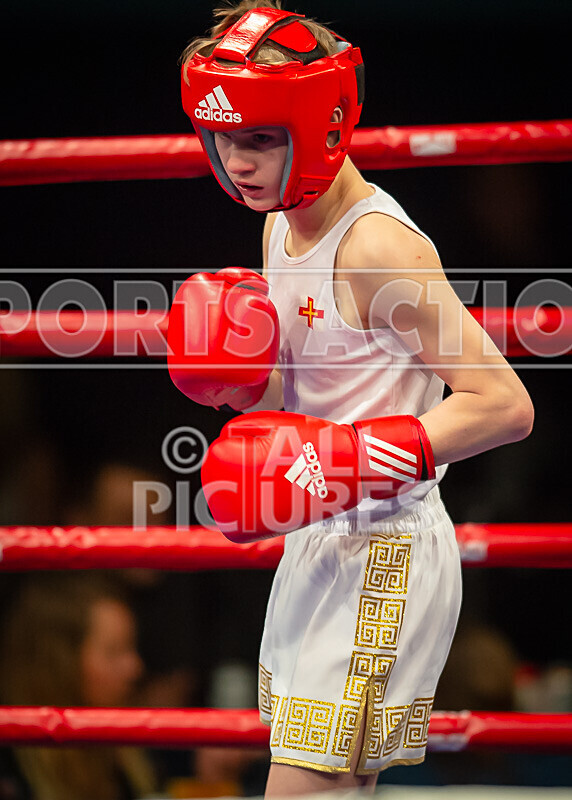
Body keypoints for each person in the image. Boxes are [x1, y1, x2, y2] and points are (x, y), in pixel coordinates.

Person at [170, 1, 534, 795]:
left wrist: (347, 457)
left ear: (323, 126)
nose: (238, 161)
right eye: (226, 137)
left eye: (261, 137)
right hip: (317, 530)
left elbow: (504, 403)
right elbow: (309, 391)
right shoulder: (279, 225)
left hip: (385, 547)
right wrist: (238, 382)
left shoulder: (376, 248)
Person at [0, 574, 157, 800]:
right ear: (60, 662)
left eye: (131, 648)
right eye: (113, 652)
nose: (135, 667)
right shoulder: (10, 769)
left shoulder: (125, 755)